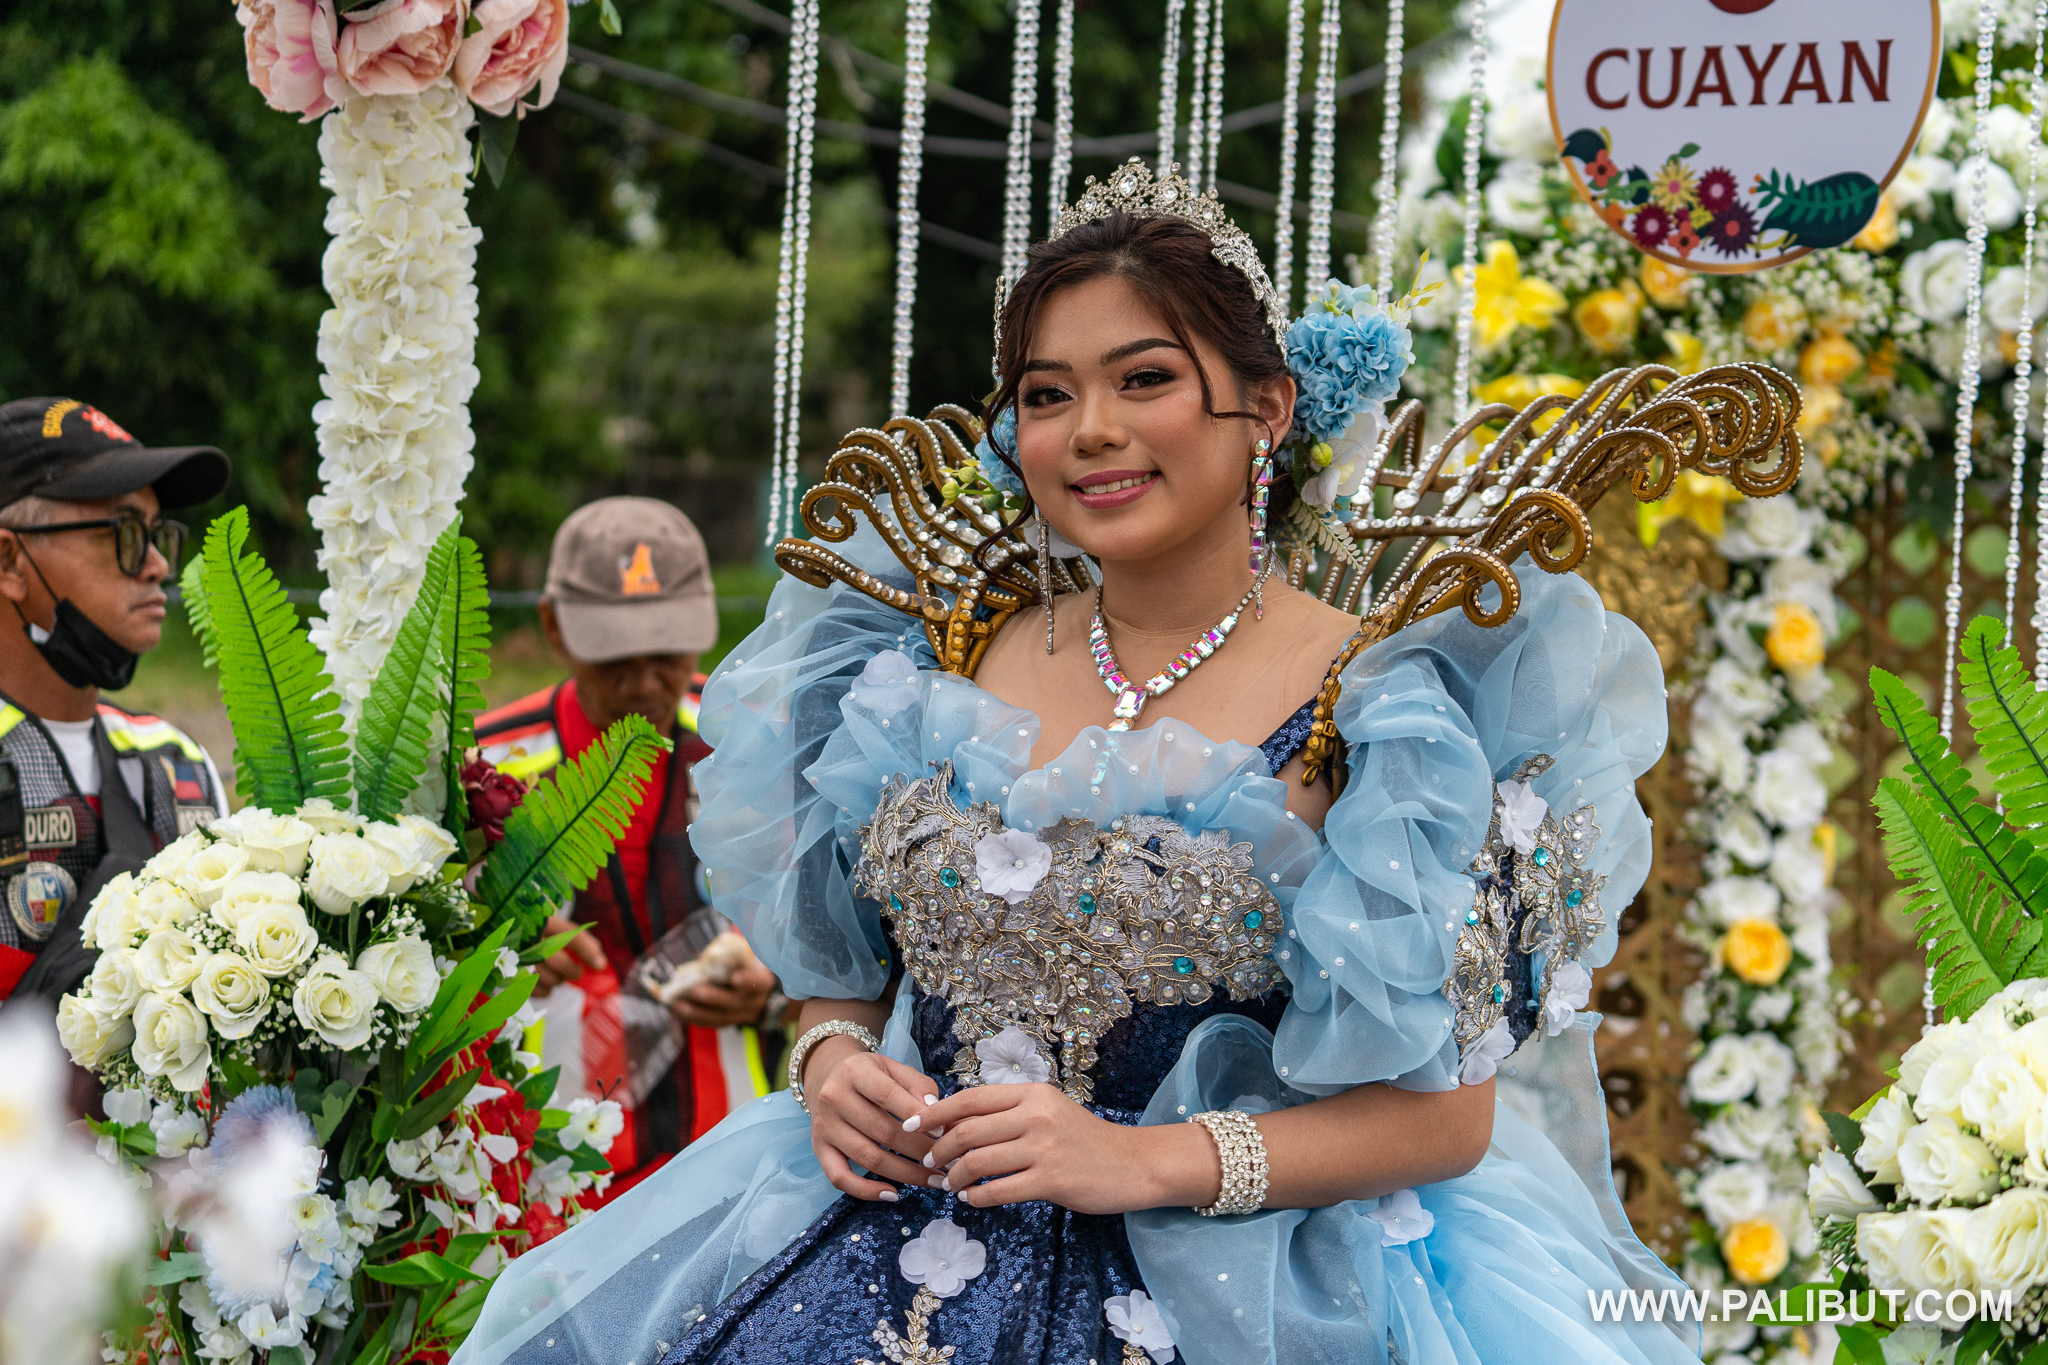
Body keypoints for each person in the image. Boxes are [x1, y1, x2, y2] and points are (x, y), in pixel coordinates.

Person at [455, 173, 1695, 1365]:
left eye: (1144, 379)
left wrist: (1140, 1161)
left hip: (1237, 1291)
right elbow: (841, 976)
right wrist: (830, 1065)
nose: (1090, 430)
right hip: (883, 1249)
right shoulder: (922, 663)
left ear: (1267, 407)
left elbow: (1446, 1118)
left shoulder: (1382, 708)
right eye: (1046, 395)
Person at [475, 497, 783, 1188]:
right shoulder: (485, 771)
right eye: (614, 655)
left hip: (734, 1159)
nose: (644, 681)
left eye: (668, 652)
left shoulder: (756, 739)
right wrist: (494, 940)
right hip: (545, 1175)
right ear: (553, 625)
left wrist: (774, 985)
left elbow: (848, 929)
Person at [0, 397, 231, 1006]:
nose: (156, 565)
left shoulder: (179, 763)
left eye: (159, 536)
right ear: (9, 560)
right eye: (125, 533)